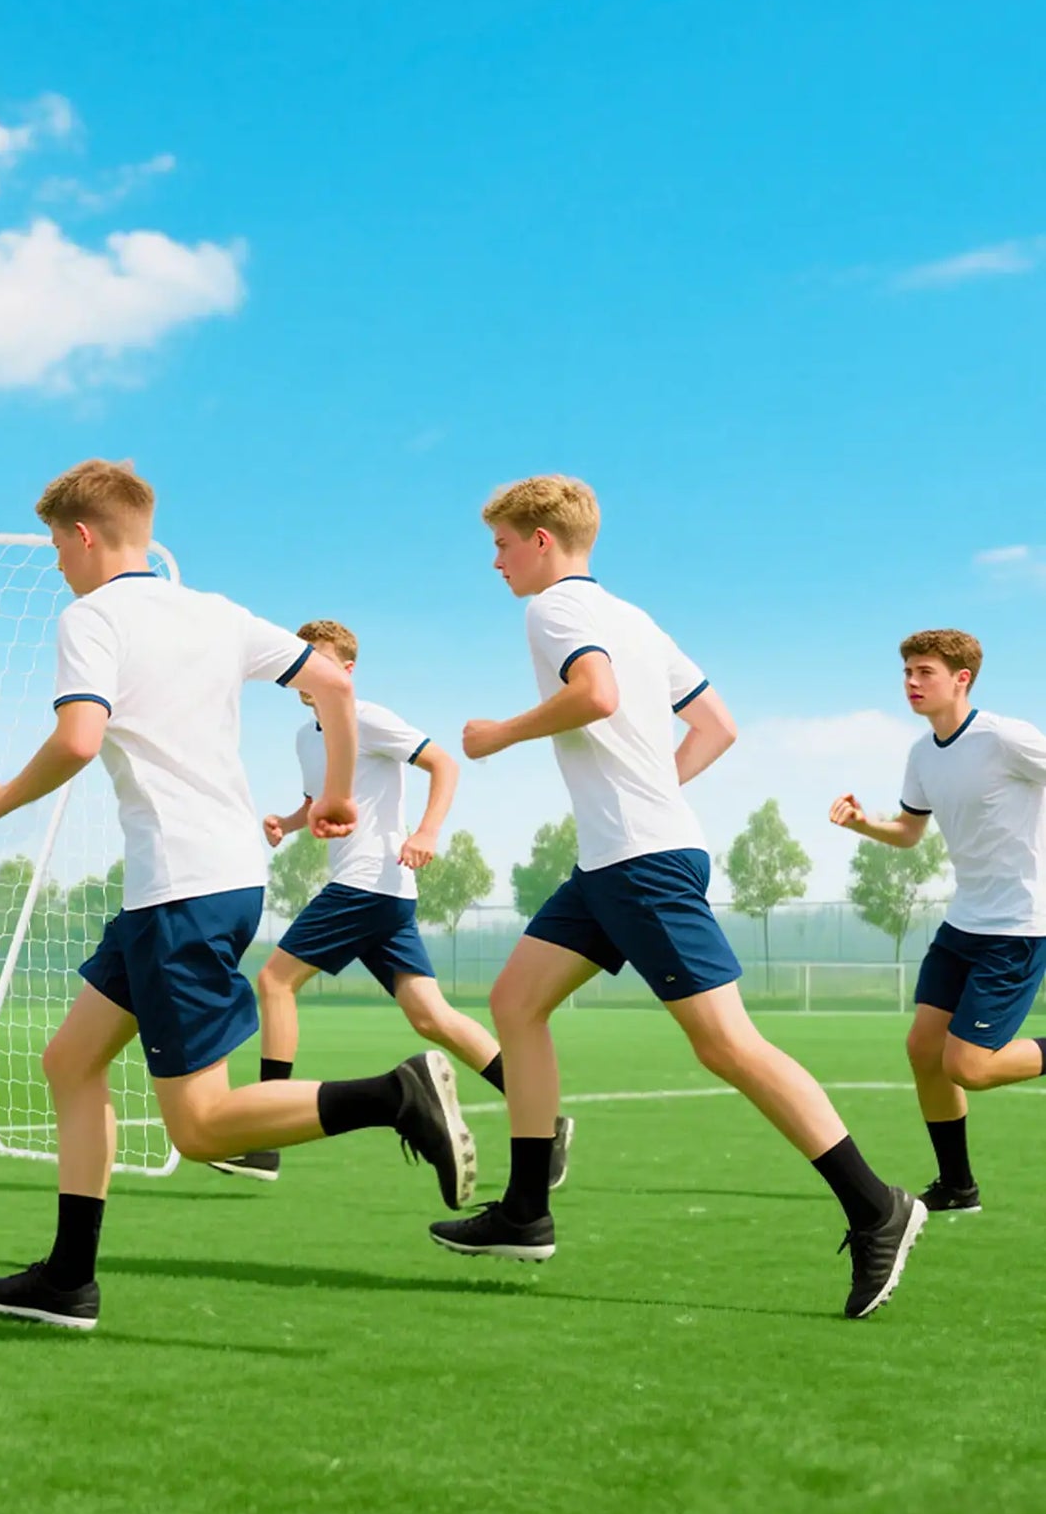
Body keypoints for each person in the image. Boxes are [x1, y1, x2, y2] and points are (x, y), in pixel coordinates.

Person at [0, 459, 474, 1330]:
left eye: (56, 544)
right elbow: (337, 684)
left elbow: (80, 740)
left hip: (181, 890)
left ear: (85, 536)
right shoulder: (217, 612)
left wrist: (0, 800)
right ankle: (67, 1279)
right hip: (214, 877)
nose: (56, 563)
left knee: (198, 1129)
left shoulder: (89, 619)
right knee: (70, 1062)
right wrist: (340, 791)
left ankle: (397, 1094)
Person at [428, 474, 925, 1321]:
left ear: (543, 541)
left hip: (640, 863)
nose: (496, 562)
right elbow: (717, 727)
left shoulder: (551, 611)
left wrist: (498, 735)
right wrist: (652, 790)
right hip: (619, 859)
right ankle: (525, 1209)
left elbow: (597, 696)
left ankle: (876, 1205)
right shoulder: (635, 617)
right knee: (515, 1002)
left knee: (727, 1046)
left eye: (503, 545)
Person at [212, 617, 525, 1201]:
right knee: (431, 1016)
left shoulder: (368, 717)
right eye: (300, 655)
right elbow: (323, 800)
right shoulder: (308, 735)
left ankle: (263, 1137)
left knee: (275, 982)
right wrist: (290, 819)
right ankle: (542, 1113)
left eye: (319, 656)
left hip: (369, 881)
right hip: (384, 894)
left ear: (346, 669)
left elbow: (444, 764)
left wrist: (428, 831)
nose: (305, 665)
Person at [830, 628, 1046, 1214]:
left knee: (969, 1066)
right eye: (906, 672)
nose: (911, 683)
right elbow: (909, 832)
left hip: (1018, 926)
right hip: (964, 923)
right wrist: (862, 825)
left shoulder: (1007, 739)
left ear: (961, 679)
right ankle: (957, 1186)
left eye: (923, 672)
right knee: (924, 1047)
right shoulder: (922, 753)